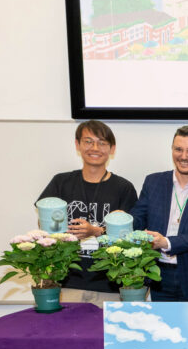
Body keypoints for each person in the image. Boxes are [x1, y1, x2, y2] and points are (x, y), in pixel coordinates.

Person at [38, 120, 138, 303]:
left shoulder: (123, 188)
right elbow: (43, 225)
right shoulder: (61, 182)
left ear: (112, 149)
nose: (95, 148)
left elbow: (130, 236)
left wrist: (97, 231)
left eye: (102, 143)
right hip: (67, 284)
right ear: (77, 144)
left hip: (109, 286)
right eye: (88, 141)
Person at [130, 125, 188, 302]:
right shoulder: (153, 182)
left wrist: (165, 242)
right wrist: (121, 221)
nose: (183, 156)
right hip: (157, 275)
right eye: (178, 149)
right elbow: (138, 219)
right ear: (172, 150)